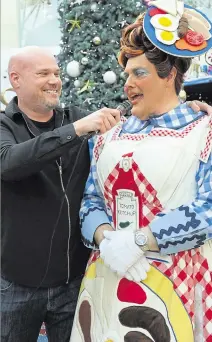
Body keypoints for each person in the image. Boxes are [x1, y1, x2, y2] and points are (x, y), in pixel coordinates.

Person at [70, 1, 212, 341]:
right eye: (127, 75)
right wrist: (107, 240)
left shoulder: (203, 131)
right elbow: (90, 201)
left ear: (172, 75)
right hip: (108, 276)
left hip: (178, 277)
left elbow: (208, 207)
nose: (128, 84)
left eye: (140, 73)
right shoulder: (108, 137)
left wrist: (140, 240)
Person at [0, 46, 121, 342]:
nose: (55, 80)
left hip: (75, 282)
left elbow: (137, 124)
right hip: (16, 285)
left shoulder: (76, 117)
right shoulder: (4, 125)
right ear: (16, 80)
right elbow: (9, 163)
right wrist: (75, 130)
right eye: (43, 74)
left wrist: (189, 110)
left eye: (56, 72)